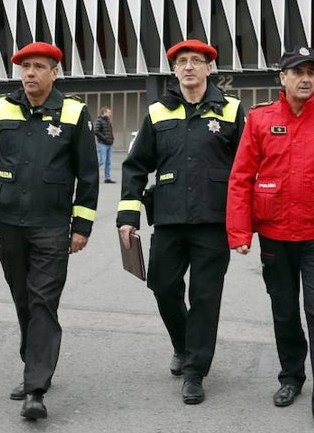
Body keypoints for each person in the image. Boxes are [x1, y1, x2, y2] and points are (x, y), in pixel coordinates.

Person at [227, 46, 314, 424]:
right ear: (282, 78)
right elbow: (240, 178)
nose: (306, 78)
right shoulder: (259, 119)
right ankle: (291, 375)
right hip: (274, 234)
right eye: (297, 71)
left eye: (311, 72)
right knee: (285, 310)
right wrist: (239, 230)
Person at [0, 41, 98, 421]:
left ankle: (35, 387)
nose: (30, 73)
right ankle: (36, 363)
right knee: (24, 299)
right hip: (8, 224)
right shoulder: (2, 107)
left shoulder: (73, 112)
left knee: (43, 301)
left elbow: (88, 176)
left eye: (39, 66)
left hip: (52, 226)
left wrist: (81, 225)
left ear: (54, 73)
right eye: (24, 67)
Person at [118, 39, 245, 404]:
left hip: (213, 220)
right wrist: (128, 216)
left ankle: (195, 371)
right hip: (170, 219)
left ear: (209, 68)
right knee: (162, 285)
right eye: (182, 62)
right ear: (174, 70)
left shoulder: (232, 110)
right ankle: (184, 344)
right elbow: (136, 167)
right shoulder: (158, 112)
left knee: (205, 297)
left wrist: (243, 222)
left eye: (196, 61)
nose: (189, 67)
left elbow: (247, 168)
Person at [95, 106, 116, 183]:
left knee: (108, 162)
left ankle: (107, 178)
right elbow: (96, 131)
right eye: (108, 112)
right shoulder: (99, 120)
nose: (110, 114)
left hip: (109, 144)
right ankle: (91, 173)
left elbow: (110, 131)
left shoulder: (108, 121)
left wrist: (112, 139)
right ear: (104, 113)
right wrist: (104, 138)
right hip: (103, 144)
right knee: (102, 161)